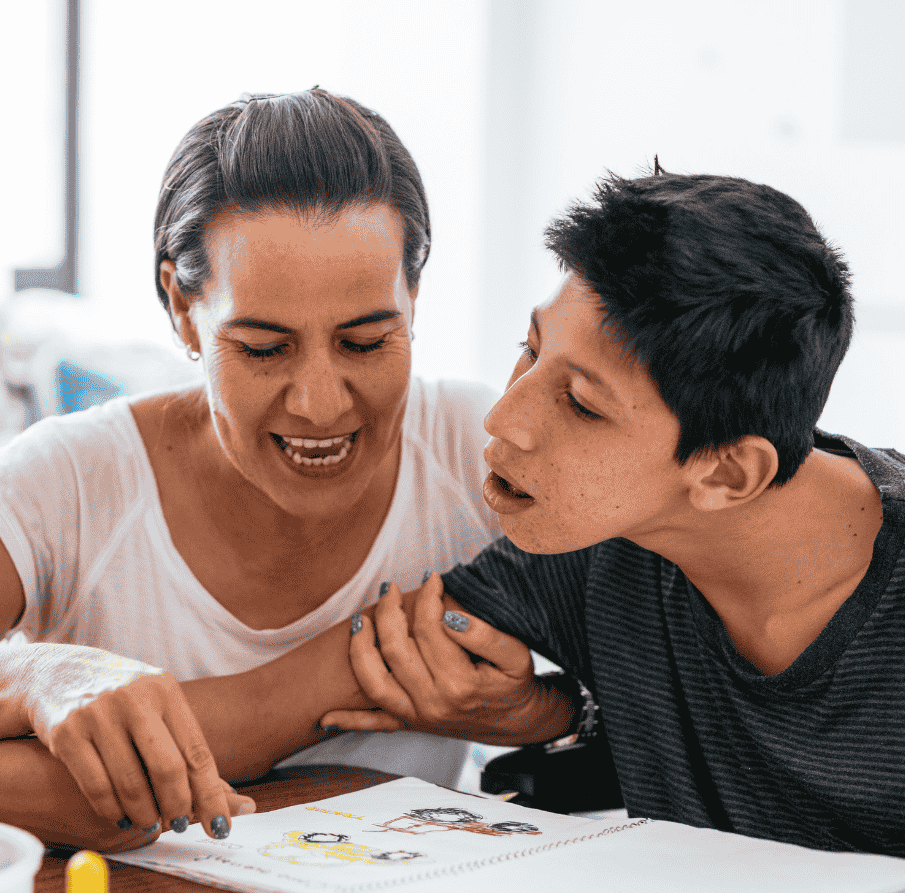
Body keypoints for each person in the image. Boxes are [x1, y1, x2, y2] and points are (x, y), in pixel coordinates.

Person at [0, 89, 500, 849]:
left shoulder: (481, 450)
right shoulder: (69, 485)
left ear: (413, 294)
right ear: (181, 307)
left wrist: (552, 710)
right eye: (263, 348)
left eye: (367, 342)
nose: (319, 403)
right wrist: (25, 680)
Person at [313, 167, 905, 856]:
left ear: (726, 471)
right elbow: (303, 689)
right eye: (530, 350)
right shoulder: (607, 536)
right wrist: (554, 714)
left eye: (583, 405)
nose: (506, 417)